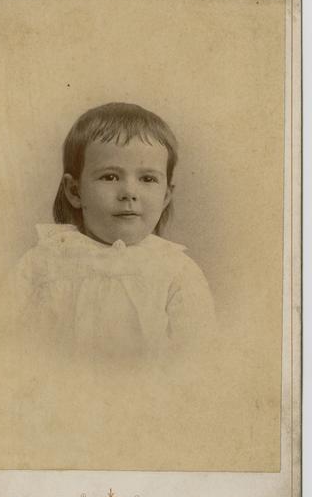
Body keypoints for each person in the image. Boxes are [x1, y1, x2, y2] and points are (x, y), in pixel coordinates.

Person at [13, 102, 216, 363]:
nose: (129, 192)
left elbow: (200, 360)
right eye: (110, 177)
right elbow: (6, 343)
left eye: (147, 179)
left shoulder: (176, 271)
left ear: (166, 196)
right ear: (75, 191)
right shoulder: (42, 263)